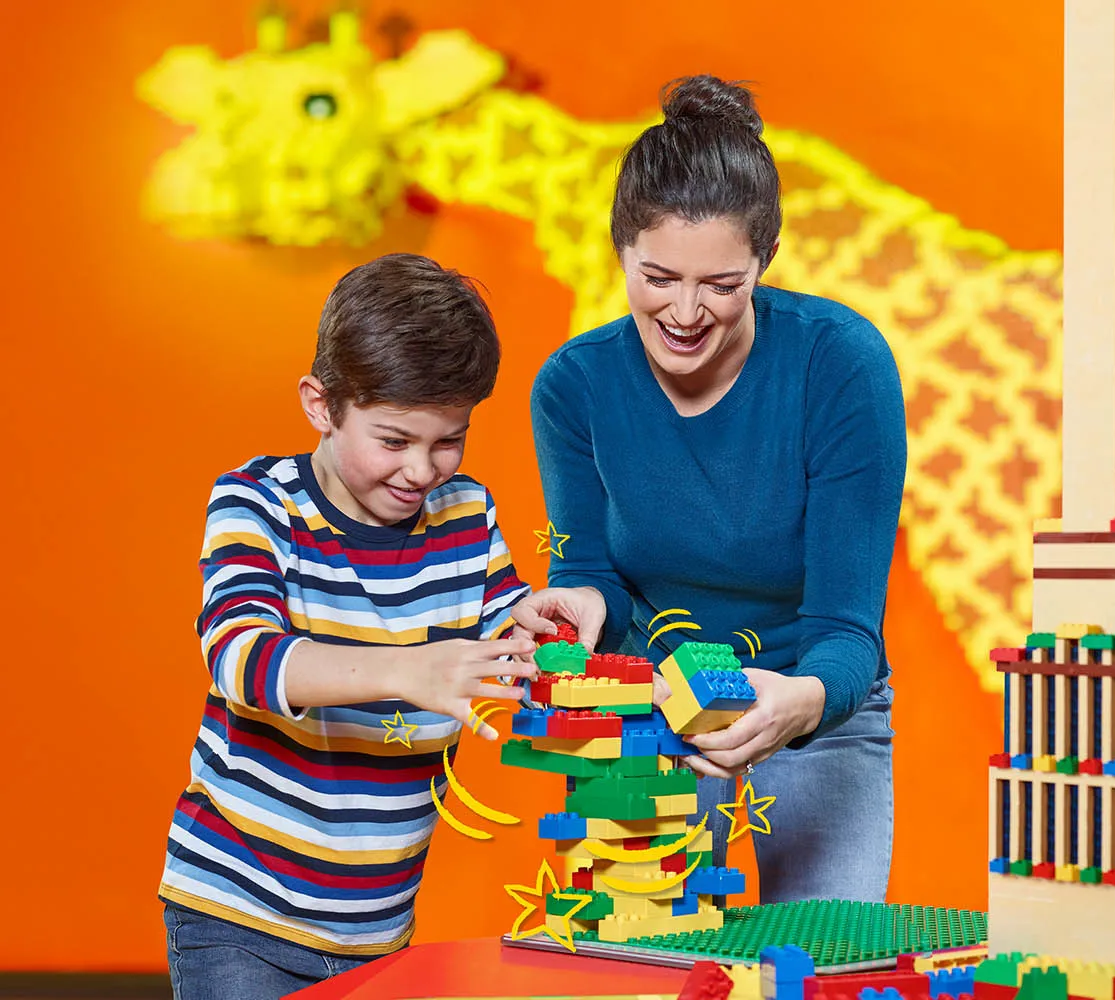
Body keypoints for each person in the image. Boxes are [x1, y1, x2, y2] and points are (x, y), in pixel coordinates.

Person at [157, 253, 603, 999]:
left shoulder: (466, 512)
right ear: (321, 404)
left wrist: (533, 627)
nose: (424, 470)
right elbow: (243, 660)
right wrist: (409, 668)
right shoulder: (258, 505)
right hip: (238, 912)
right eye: (394, 441)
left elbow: (493, 630)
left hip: (378, 928)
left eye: (448, 439)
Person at [519, 75, 906, 903]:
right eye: (658, 278)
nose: (687, 312)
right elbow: (592, 567)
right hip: (645, 707)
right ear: (620, 249)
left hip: (810, 704)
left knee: (818, 966)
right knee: (644, 966)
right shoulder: (572, 386)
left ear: (764, 261)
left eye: (722, 286)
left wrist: (801, 701)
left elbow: (848, 627)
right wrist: (581, 604)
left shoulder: (841, 365)